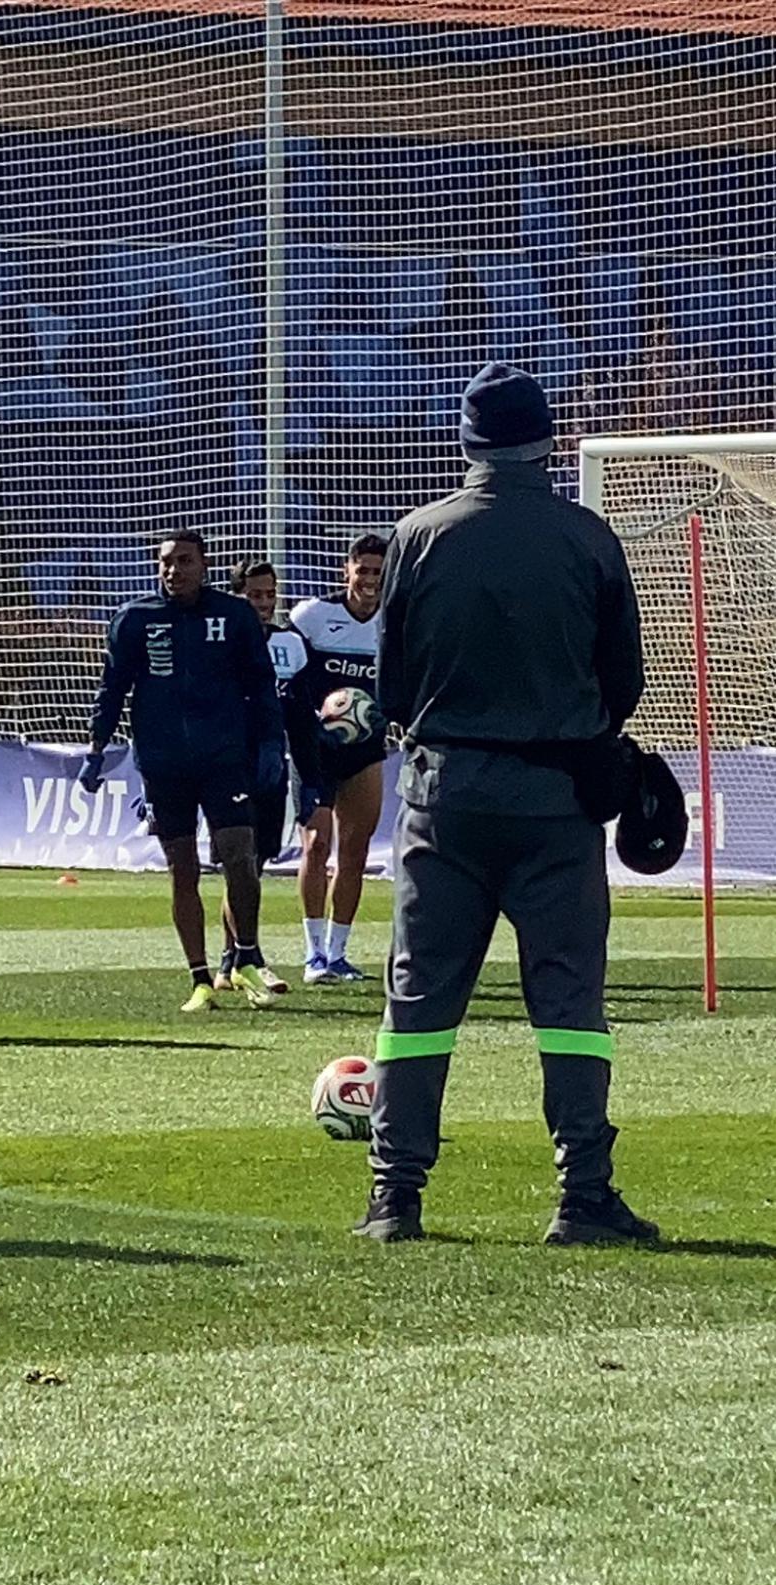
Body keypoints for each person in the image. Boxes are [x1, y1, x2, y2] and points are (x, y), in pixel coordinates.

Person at [357, 361, 658, 1249]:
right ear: (548, 440)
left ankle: (394, 1196)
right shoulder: (586, 538)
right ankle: (582, 1194)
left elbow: (393, 685)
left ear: (465, 441)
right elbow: (624, 686)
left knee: (417, 1003)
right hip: (556, 802)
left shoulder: (414, 536)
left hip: (444, 798)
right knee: (570, 1005)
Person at [79, 529, 284, 1013]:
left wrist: (271, 742)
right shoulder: (134, 619)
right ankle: (199, 979)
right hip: (164, 763)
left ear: (204, 565)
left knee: (239, 853)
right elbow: (113, 687)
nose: (175, 570)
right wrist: (96, 746)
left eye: (185, 561)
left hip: (224, 758)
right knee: (182, 868)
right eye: (167, 562)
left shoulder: (232, 616)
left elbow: (261, 683)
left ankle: (245, 958)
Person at [289, 531, 388, 983]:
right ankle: (312, 955)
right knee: (316, 844)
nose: (368, 579)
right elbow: (288, 671)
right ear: (346, 570)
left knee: (355, 851)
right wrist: (313, 714)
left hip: (366, 751)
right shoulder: (313, 617)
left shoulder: (395, 621)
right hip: (316, 749)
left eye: (377, 572)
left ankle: (338, 953)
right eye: (362, 569)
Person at [214, 555, 314, 995]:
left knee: (256, 861)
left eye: (270, 594)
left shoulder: (290, 643)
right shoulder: (218, 642)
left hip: (273, 761)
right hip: (230, 761)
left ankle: (231, 961)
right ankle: (240, 960)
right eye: (254, 594)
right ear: (236, 596)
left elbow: (300, 705)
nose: (264, 603)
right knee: (242, 860)